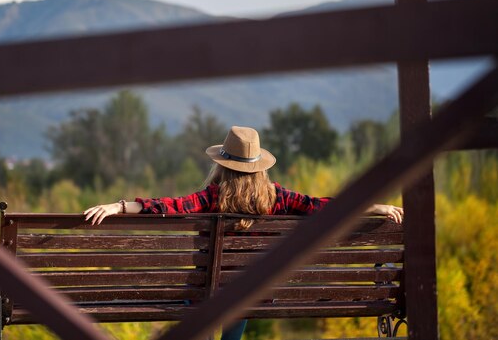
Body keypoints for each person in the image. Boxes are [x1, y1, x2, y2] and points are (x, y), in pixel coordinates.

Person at [84, 126, 404, 340]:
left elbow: (170, 206)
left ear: (223, 165)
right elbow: (321, 207)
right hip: (251, 295)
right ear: (259, 166)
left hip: (205, 295)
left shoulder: (212, 198)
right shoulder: (276, 198)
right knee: (241, 294)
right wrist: (371, 206)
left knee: (204, 296)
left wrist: (121, 206)